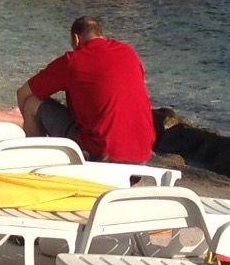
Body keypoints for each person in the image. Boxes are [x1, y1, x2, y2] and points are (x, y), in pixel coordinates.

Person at [17, 15, 154, 163]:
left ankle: (36, 163)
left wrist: (30, 124)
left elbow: (23, 93)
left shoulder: (72, 60)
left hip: (101, 155)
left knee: (31, 103)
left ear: (76, 39)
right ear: (101, 34)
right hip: (142, 154)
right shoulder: (129, 52)